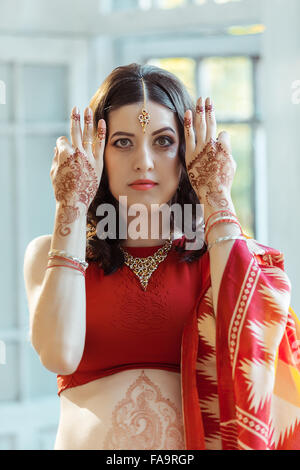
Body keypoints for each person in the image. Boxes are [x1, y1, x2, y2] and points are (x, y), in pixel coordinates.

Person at [23, 63, 300, 450]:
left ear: (189, 152)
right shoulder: (48, 254)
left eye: (163, 141)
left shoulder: (217, 256)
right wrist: (71, 203)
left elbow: (248, 355)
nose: (144, 162)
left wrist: (216, 196)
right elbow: (59, 354)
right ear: (95, 153)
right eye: (122, 142)